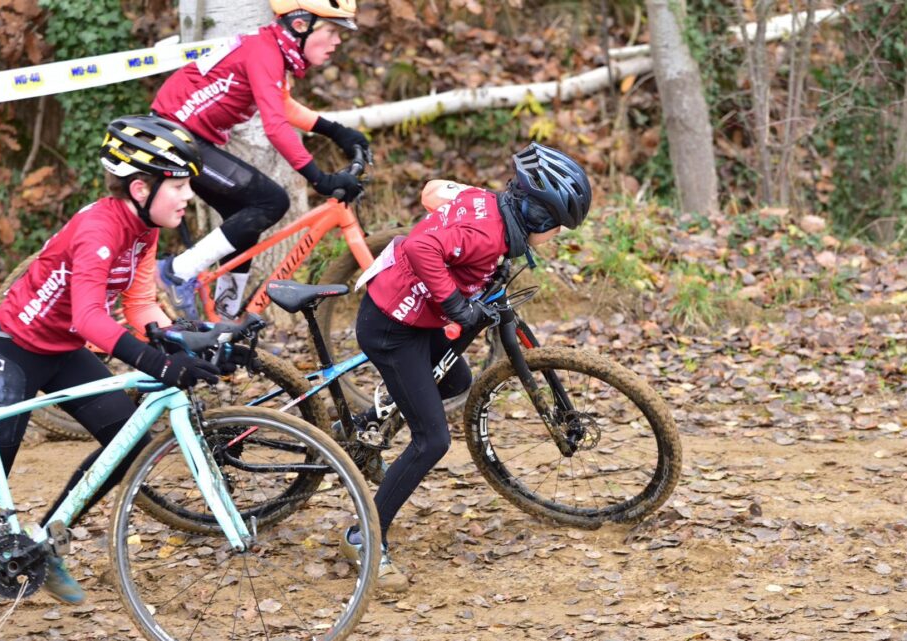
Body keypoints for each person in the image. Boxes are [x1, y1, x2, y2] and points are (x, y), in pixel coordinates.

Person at [0, 115, 223, 636]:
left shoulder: (145, 228)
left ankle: (41, 540)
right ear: (140, 187)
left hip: (62, 349)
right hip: (12, 348)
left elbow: (138, 303)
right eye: (178, 186)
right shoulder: (101, 230)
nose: (187, 197)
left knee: (125, 438)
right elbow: (90, 317)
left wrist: (184, 343)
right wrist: (155, 362)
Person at [339, 143, 593, 592]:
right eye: (558, 226)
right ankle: (364, 539)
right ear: (537, 217)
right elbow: (420, 245)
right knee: (432, 440)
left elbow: (435, 192)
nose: (558, 235)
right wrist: (458, 305)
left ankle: (367, 431)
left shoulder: (492, 203)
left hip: (416, 315)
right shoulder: (487, 234)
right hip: (392, 328)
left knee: (456, 376)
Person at [150, 0, 370, 321]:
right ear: (299, 25)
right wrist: (319, 178)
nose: (337, 41)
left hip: (184, 136)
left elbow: (283, 105)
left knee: (245, 219)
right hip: (174, 136)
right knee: (271, 201)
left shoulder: (268, 49)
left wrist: (337, 131)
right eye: (332, 31)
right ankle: (174, 272)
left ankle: (225, 321)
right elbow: (276, 126)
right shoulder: (264, 52)